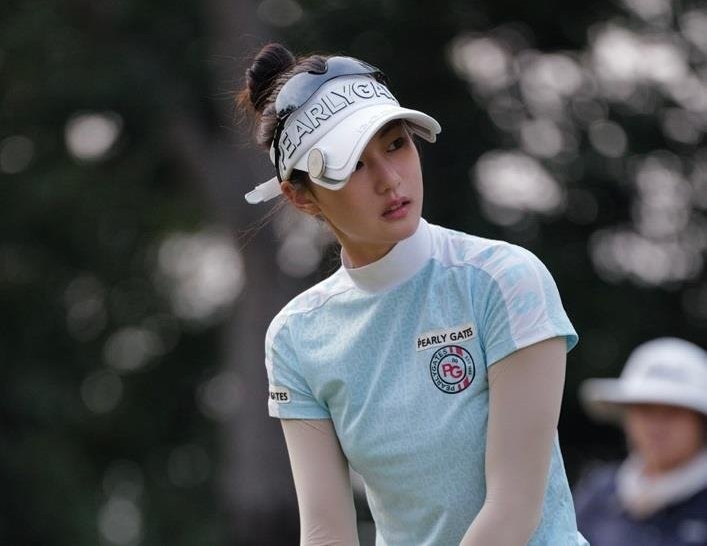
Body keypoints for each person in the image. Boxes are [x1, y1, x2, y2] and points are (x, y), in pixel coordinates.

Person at [237, 42, 588, 546]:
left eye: (396, 144)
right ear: (300, 195)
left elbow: (513, 511)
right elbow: (324, 530)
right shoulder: (295, 336)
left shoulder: (504, 279)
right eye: (355, 165)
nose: (390, 179)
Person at [574, 337, 707, 546]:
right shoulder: (598, 494)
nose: (657, 425)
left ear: (700, 422)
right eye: (646, 410)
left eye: (673, 412)